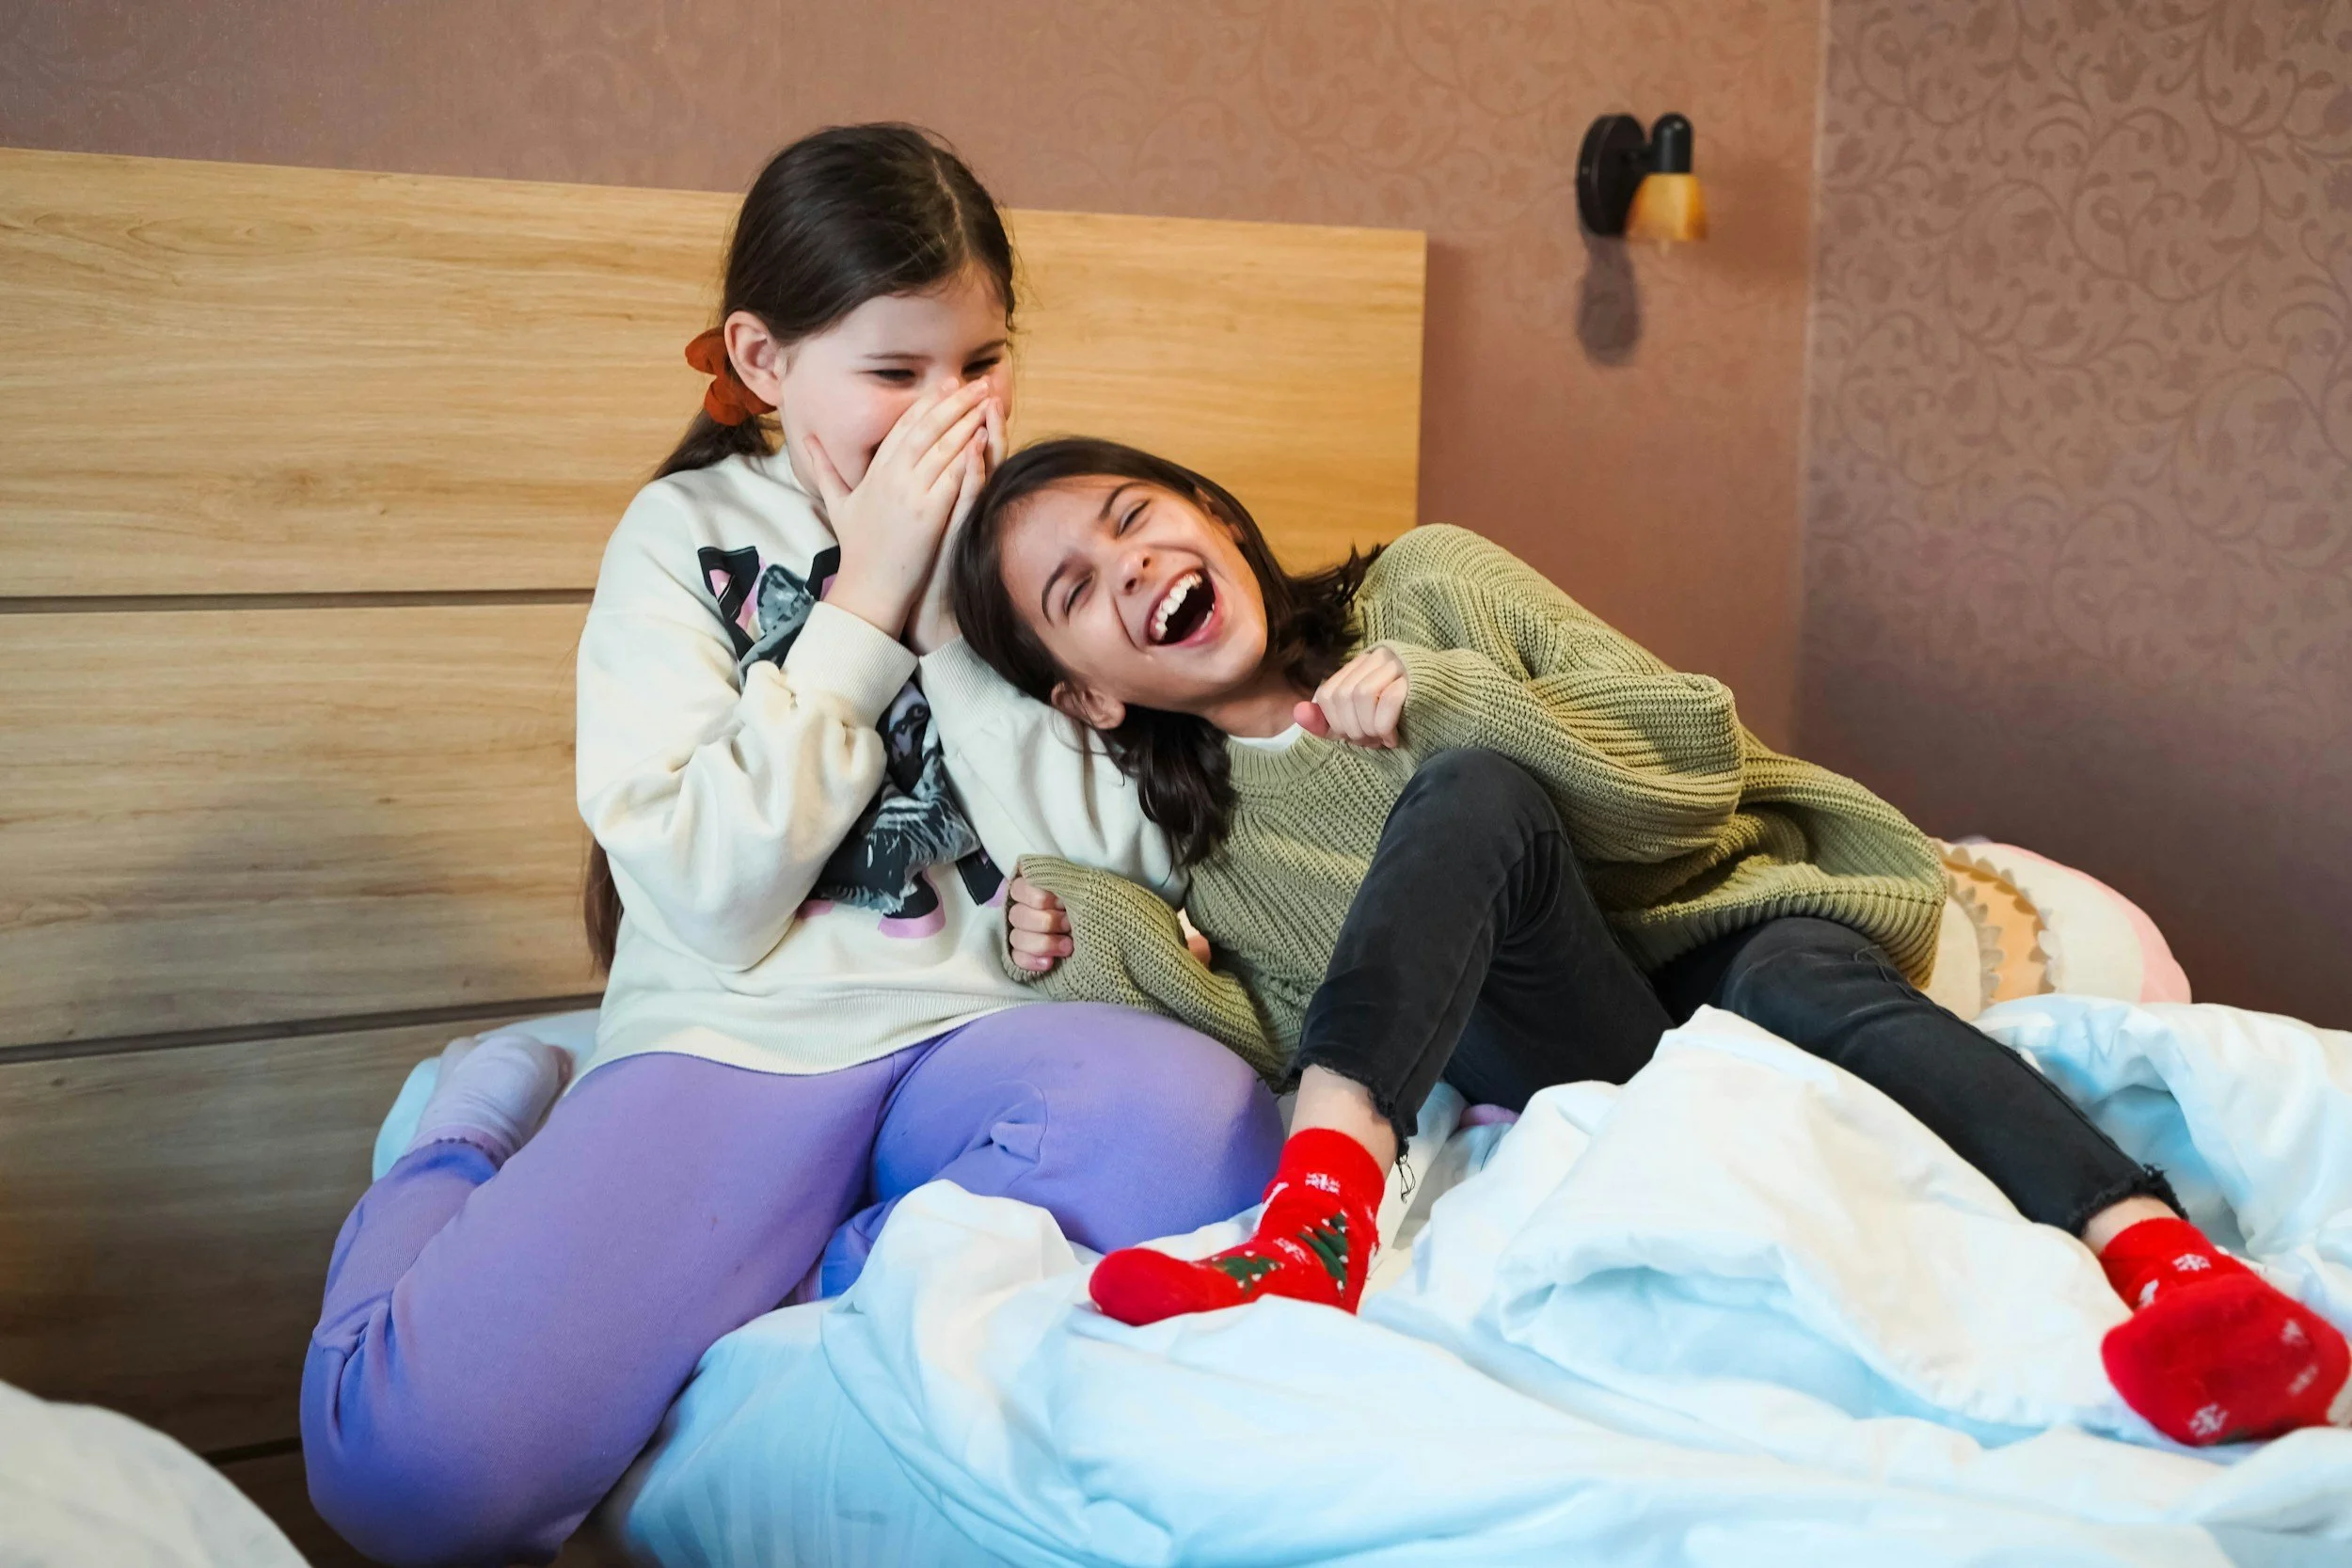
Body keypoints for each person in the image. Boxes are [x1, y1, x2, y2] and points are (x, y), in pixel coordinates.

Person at [943, 434, 2352, 1449]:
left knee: (1787, 965)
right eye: (1076, 589)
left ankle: (2172, 1265)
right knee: (1463, 824)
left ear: (1209, 507)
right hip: (1577, 1038)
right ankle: (1314, 1231)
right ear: (1088, 698)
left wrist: (1446, 696)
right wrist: (1096, 926)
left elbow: (1688, 769)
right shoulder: (1221, 855)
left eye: (1137, 515)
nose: (1132, 564)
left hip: (1715, 926)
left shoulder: (1429, 589)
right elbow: (1299, 1033)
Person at [300, 131, 1282, 1567]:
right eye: (897, 374)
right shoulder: (680, 536)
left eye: (981, 363)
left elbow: (1112, 857)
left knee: (1205, 1124)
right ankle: (468, 1130)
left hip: (979, 1031)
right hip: (746, 1028)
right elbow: (709, 891)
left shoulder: (1031, 547)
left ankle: (828, 1266)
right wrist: (870, 593)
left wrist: (953, 617)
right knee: (410, 1473)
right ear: (764, 359)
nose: (951, 414)